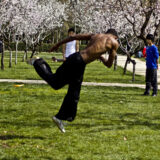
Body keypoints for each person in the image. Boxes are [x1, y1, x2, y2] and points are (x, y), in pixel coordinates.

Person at [27, 29, 119, 133]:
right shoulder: (114, 43)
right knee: (67, 89)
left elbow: (73, 37)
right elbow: (109, 64)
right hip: (79, 63)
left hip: (75, 57)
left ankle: (61, 117)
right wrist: (101, 56)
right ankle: (38, 62)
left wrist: (57, 45)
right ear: (115, 37)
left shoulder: (95, 35)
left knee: (70, 90)